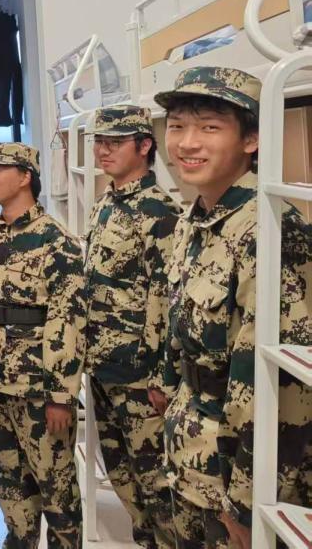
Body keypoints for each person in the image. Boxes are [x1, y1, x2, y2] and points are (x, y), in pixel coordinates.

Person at [155, 67, 312, 549]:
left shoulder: (270, 231)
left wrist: (248, 502)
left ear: (251, 139)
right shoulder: (195, 218)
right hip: (191, 456)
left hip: (236, 477)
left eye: (209, 127)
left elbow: (281, 390)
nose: (187, 143)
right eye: (177, 126)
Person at [0, 143, 87, 549]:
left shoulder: (57, 242)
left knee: (57, 491)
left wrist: (61, 395)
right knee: (9, 486)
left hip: (38, 391)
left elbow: (68, 322)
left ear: (25, 177)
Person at [83, 105, 179, 549]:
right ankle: (146, 540)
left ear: (144, 146)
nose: (103, 151)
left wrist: (161, 376)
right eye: (99, 142)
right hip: (103, 363)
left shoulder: (159, 211)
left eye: (115, 143)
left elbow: (166, 298)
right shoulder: (106, 204)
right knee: (119, 469)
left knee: (155, 476)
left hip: (140, 373)